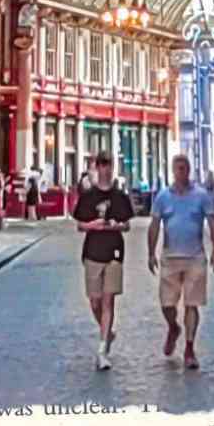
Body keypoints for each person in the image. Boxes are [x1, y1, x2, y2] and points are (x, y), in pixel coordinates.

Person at [147, 153, 214, 370]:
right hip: (170, 257)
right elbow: (154, 225)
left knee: (192, 303)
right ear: (173, 170)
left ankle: (189, 348)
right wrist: (151, 253)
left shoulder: (201, 196)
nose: (181, 172)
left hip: (195, 257)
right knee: (167, 304)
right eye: (178, 168)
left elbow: (213, 223)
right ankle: (173, 327)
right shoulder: (162, 197)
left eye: (184, 168)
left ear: (189, 170)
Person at [73, 152, 134, 370]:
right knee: (95, 301)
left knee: (108, 301)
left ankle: (101, 350)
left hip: (114, 253)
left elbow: (127, 225)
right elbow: (80, 225)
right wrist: (94, 225)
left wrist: (118, 225)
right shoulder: (88, 196)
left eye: (109, 166)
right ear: (97, 167)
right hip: (92, 252)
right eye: (103, 166)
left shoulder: (120, 196)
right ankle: (107, 332)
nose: (106, 170)